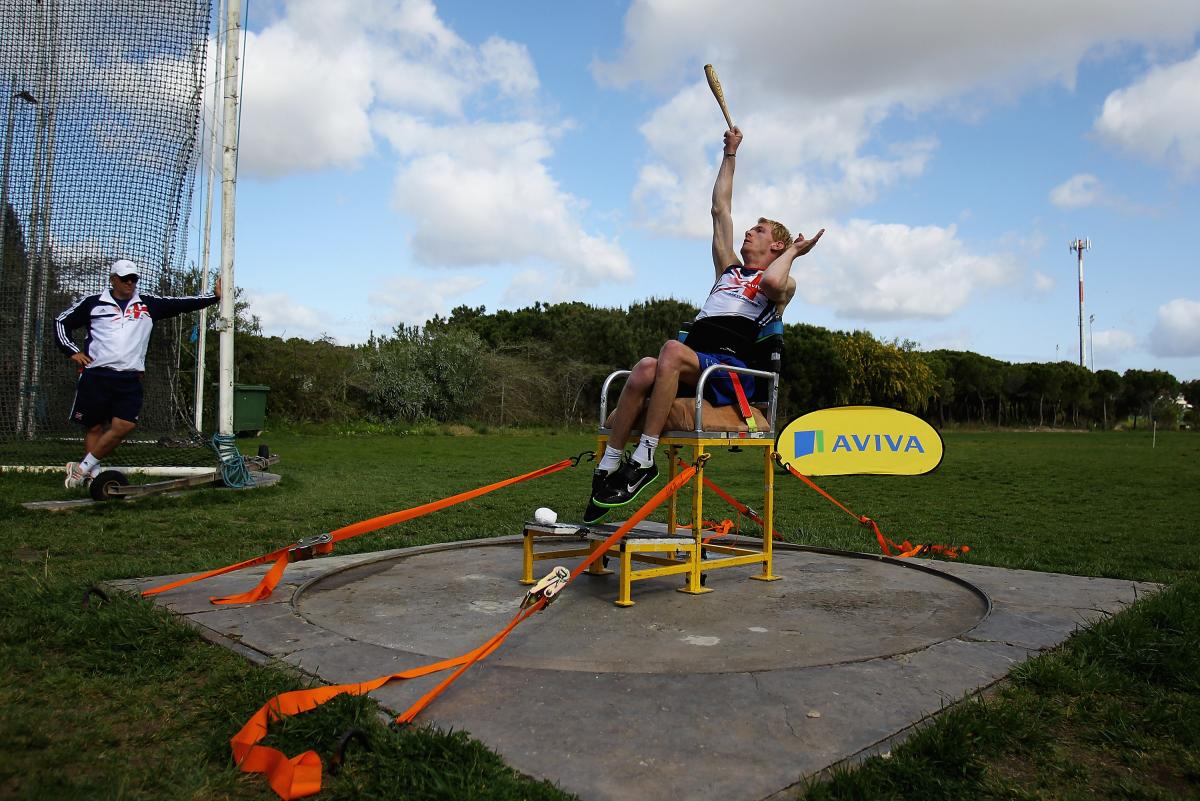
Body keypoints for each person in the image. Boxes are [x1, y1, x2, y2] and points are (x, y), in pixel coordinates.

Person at [585, 127, 824, 523]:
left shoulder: (782, 285)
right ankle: (611, 461)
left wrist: (796, 252)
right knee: (646, 367)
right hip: (697, 363)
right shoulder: (727, 270)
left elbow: (773, 282)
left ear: (777, 246)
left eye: (759, 230)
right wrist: (730, 154)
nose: (748, 231)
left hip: (729, 373)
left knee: (670, 350)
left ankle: (644, 458)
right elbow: (720, 210)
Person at [53, 259, 221, 488]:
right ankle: (93, 474)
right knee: (94, 426)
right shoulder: (93, 303)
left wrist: (214, 296)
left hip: (129, 377)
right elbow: (61, 322)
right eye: (125, 279)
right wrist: (72, 351)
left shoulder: (147, 304)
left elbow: (181, 303)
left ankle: (81, 468)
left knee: (125, 425)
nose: (130, 283)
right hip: (96, 375)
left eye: (134, 279)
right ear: (113, 280)